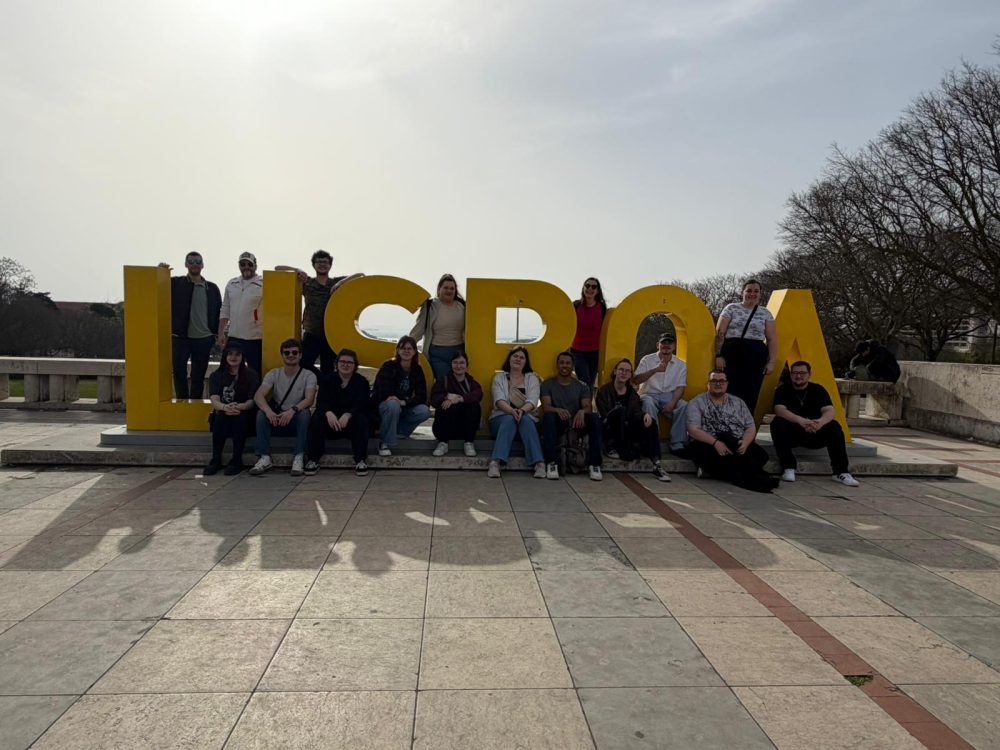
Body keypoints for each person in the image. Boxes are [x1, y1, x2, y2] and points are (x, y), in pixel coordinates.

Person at [686, 370, 778, 493]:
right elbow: (693, 430)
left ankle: (716, 472)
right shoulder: (696, 402)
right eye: (714, 381)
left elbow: (750, 427)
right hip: (709, 443)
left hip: (735, 442)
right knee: (715, 457)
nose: (718, 384)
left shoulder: (738, 402)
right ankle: (742, 474)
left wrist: (745, 443)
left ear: (727, 384)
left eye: (721, 381)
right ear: (708, 383)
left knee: (761, 455)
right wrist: (716, 443)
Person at [772, 360, 859, 487]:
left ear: (809, 374)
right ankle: (788, 467)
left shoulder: (818, 389)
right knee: (777, 423)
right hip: (793, 432)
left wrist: (820, 423)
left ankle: (840, 472)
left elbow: (829, 410)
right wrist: (801, 421)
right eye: (795, 373)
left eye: (802, 373)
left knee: (834, 426)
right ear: (790, 374)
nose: (798, 376)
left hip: (815, 431)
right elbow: (779, 410)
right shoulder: (783, 389)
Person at [276, 250, 364, 374]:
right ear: (314, 265)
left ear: (330, 265)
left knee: (328, 369)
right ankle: (318, 381)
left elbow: (361, 275)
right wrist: (298, 270)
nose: (322, 264)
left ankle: (324, 388)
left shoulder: (335, 283)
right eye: (319, 262)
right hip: (312, 334)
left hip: (331, 335)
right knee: (303, 365)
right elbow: (278, 268)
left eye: (325, 262)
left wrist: (341, 283)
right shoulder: (307, 282)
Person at [595, 358, 671, 482]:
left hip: (627, 430)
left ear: (630, 375)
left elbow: (635, 412)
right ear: (615, 371)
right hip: (610, 430)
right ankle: (611, 448)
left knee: (650, 422)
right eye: (621, 370)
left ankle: (656, 464)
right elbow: (604, 415)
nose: (624, 373)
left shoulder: (632, 394)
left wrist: (644, 416)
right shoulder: (603, 391)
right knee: (619, 411)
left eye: (627, 371)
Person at [250, 339, 317, 476]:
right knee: (261, 414)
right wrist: (269, 412)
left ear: (300, 355)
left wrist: (292, 411)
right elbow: (258, 395)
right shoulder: (274, 374)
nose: (290, 355)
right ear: (282, 355)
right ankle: (264, 457)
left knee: (305, 414)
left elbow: (309, 399)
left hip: (295, 418)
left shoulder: (308, 375)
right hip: (277, 418)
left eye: (294, 352)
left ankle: (299, 456)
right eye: (286, 353)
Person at [162, 252, 222, 399]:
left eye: (197, 261)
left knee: (198, 375)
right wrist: (160, 271)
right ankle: (182, 403)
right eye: (191, 261)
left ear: (202, 265)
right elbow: (156, 287)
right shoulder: (176, 283)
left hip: (204, 338)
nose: (194, 264)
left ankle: (195, 403)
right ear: (186, 264)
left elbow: (220, 311)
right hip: (181, 337)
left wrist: (216, 333)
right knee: (179, 372)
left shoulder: (212, 288)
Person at [304, 348, 371, 477]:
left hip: (350, 423)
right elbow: (321, 402)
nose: (345, 365)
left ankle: (360, 460)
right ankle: (313, 459)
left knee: (361, 419)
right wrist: (328, 413)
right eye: (342, 361)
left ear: (355, 365)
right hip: (331, 422)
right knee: (317, 418)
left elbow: (362, 403)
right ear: (337, 364)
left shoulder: (361, 382)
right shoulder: (327, 380)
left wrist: (348, 414)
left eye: (349, 362)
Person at [715, 278, 778, 415]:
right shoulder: (731, 308)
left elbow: (772, 339)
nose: (752, 294)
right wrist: (718, 355)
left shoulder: (765, 313)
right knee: (729, 390)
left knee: (751, 392)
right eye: (749, 290)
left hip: (755, 355)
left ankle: (745, 429)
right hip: (732, 352)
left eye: (756, 291)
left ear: (760, 294)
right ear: (742, 292)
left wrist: (772, 361)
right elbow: (720, 333)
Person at [540, 351, 604, 481]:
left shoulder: (582, 386)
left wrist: (582, 411)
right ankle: (552, 463)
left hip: (577, 422)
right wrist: (557, 410)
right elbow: (546, 406)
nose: (564, 365)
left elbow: (587, 406)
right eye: (562, 362)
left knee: (594, 418)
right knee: (549, 417)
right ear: (557, 365)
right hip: (559, 422)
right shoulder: (548, 384)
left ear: (573, 365)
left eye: (568, 363)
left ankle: (595, 464)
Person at [487, 346, 546, 479]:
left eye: (522, 357)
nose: (518, 359)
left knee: (525, 419)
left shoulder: (532, 378)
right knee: (509, 419)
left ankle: (539, 464)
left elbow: (533, 400)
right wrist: (512, 411)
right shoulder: (499, 378)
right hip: (500, 420)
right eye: (515, 356)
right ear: (509, 359)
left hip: (526, 420)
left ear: (526, 362)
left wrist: (521, 411)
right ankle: (495, 463)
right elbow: (499, 399)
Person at [204, 344, 260, 476]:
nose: (233, 357)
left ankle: (236, 460)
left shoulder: (251, 375)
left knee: (239, 418)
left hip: (244, 414)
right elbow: (214, 399)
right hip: (224, 412)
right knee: (219, 417)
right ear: (225, 356)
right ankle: (215, 460)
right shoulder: (216, 375)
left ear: (242, 357)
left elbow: (251, 401)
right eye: (230, 354)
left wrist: (239, 407)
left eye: (237, 354)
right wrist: (225, 407)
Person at [371, 335, 431, 456]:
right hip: (385, 407)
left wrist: (405, 402)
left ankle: (400, 432)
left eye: (409, 348)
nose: (406, 351)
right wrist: (395, 400)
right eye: (403, 348)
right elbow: (382, 391)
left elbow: (421, 396)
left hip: (403, 406)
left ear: (415, 351)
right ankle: (385, 442)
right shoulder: (389, 366)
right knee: (393, 405)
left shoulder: (417, 369)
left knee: (424, 411)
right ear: (398, 350)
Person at [633, 333, 691, 454]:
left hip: (669, 396)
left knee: (683, 406)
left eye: (669, 343)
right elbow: (636, 380)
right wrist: (655, 370)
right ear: (657, 345)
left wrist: (672, 402)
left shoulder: (681, 364)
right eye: (663, 343)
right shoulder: (647, 359)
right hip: (648, 393)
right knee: (647, 403)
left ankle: (677, 444)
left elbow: (680, 387)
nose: (666, 345)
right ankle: (652, 442)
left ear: (674, 346)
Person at [411, 274, 467, 380]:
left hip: (459, 352)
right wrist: (407, 345)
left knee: (458, 382)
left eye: (452, 288)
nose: (449, 291)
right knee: (443, 381)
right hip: (437, 352)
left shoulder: (463, 306)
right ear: (439, 289)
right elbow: (419, 329)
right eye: (445, 288)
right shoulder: (430, 306)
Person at [217, 252, 264, 377]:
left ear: (255, 266)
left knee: (255, 372)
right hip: (234, 336)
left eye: (249, 264)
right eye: (243, 264)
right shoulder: (232, 283)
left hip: (255, 338)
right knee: (227, 371)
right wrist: (221, 332)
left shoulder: (263, 283)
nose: (246, 267)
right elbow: (225, 308)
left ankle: (254, 397)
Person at [430, 351, 483, 457]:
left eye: (462, 363)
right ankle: (443, 443)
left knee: (474, 406)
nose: (459, 366)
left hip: (464, 429)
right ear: (451, 364)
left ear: (467, 365)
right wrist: (446, 396)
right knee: (447, 405)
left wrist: (460, 399)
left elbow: (478, 394)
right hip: (445, 428)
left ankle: (469, 443)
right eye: (455, 362)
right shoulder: (443, 381)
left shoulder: (471, 382)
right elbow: (433, 399)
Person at [570, 277, 607, 388]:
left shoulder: (602, 308)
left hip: (595, 352)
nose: (590, 289)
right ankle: (586, 405)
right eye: (587, 286)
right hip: (577, 352)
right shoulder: (575, 306)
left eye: (594, 287)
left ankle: (586, 404)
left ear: (597, 291)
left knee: (589, 383)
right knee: (584, 381)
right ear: (583, 288)